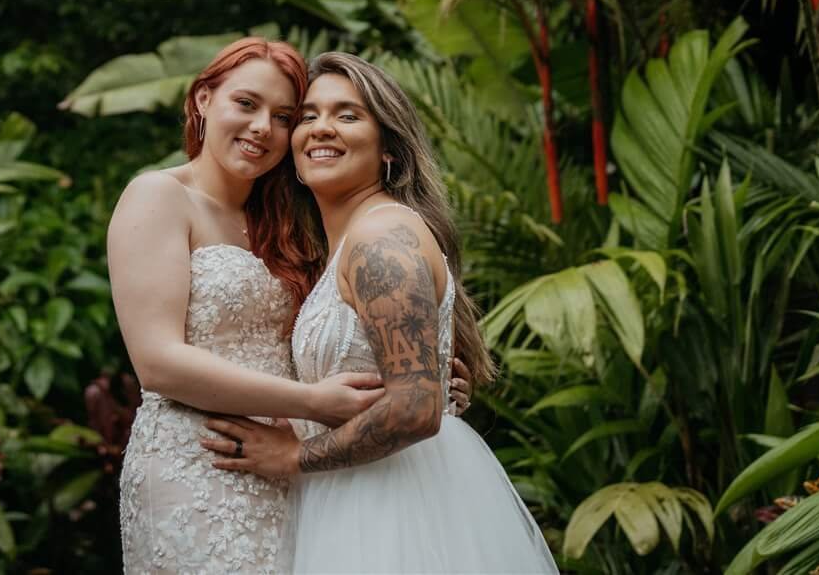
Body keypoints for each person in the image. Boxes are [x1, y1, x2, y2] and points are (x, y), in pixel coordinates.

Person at [197, 51, 558, 574]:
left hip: (392, 505)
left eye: (347, 115)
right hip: (354, 493)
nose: (322, 129)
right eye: (307, 116)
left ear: (388, 148)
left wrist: (293, 457)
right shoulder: (345, 243)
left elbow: (415, 409)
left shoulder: (382, 239)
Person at [107, 37, 371, 575]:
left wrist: (420, 372)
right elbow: (156, 362)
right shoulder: (158, 196)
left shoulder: (292, 224)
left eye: (282, 117)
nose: (262, 129)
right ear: (204, 100)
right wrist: (314, 402)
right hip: (197, 463)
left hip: (288, 467)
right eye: (246, 104)